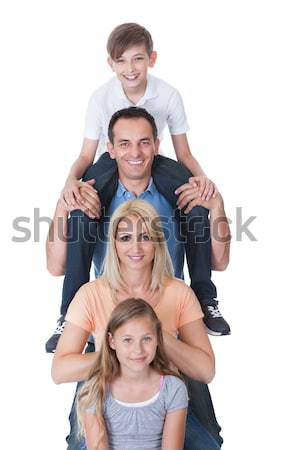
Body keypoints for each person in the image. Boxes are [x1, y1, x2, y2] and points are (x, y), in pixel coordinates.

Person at [46, 22, 231, 349]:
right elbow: (86, 154)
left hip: (158, 165)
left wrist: (204, 185)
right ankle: (69, 315)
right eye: (122, 61)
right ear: (111, 64)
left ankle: (204, 297)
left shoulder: (168, 95)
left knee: (196, 202)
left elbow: (183, 151)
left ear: (151, 59)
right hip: (105, 163)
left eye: (138, 59)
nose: (130, 69)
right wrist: (68, 187)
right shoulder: (102, 98)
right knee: (82, 211)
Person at [52, 199, 221, 450]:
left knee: (208, 445)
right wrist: (118, 355)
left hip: (162, 399)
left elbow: (205, 370)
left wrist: (157, 336)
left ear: (157, 242)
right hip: (107, 397)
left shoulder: (178, 293)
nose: (136, 247)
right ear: (114, 243)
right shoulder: (91, 294)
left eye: (145, 236)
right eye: (125, 237)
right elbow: (60, 370)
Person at [77, 298, 188, 450]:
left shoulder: (173, 389)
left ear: (157, 338)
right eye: (128, 340)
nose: (138, 350)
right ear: (112, 341)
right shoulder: (95, 390)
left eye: (146, 339)